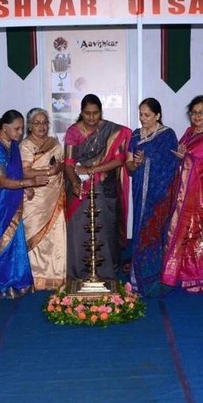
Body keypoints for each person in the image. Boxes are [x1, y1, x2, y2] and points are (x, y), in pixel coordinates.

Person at [160, 95, 203, 293]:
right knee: (178, 231)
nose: (197, 116)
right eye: (194, 112)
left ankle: (197, 277)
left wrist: (187, 159)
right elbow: (182, 157)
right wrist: (182, 157)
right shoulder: (190, 132)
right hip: (184, 194)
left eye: (201, 113)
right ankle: (179, 273)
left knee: (198, 236)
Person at [63, 94, 132, 282]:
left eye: (95, 113)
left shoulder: (111, 131)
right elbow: (68, 164)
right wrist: (75, 183)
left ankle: (106, 274)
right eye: (87, 113)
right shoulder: (73, 132)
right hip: (79, 186)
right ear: (81, 112)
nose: (92, 117)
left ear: (101, 112)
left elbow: (119, 160)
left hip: (104, 186)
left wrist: (92, 170)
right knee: (79, 229)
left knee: (105, 228)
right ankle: (79, 274)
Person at [0, 110, 45, 297]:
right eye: (17, 129)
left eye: (22, 128)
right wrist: (28, 183)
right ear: (4, 127)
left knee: (15, 242)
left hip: (10, 199)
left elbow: (15, 173)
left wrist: (24, 187)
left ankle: (16, 282)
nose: (20, 133)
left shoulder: (13, 144)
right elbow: (1, 181)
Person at [125, 98, 179, 297]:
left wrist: (148, 160)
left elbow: (171, 164)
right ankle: (137, 279)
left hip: (159, 195)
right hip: (140, 190)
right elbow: (128, 165)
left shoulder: (167, 135)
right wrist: (136, 164)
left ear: (158, 115)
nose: (143, 118)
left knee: (155, 233)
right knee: (140, 231)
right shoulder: (135, 135)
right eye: (141, 114)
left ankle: (155, 280)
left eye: (147, 115)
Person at [19, 108, 67, 291]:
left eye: (45, 123)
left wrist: (57, 169)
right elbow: (25, 171)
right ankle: (36, 277)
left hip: (55, 196)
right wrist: (49, 171)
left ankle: (56, 276)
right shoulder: (26, 146)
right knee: (34, 233)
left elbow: (61, 164)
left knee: (56, 235)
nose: (42, 126)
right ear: (30, 126)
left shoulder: (54, 142)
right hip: (36, 198)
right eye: (37, 123)